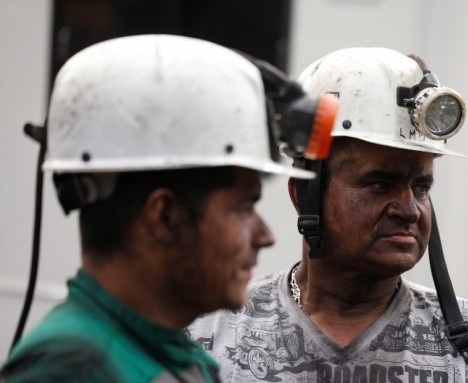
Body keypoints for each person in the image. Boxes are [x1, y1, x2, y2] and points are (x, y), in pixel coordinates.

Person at [187, 47, 468, 382]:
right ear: (303, 195)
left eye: (421, 187)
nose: (409, 210)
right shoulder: (208, 329)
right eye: (379, 184)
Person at [1, 34, 336, 382]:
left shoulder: (170, 352)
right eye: (244, 207)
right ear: (165, 216)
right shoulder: (71, 368)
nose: (265, 236)